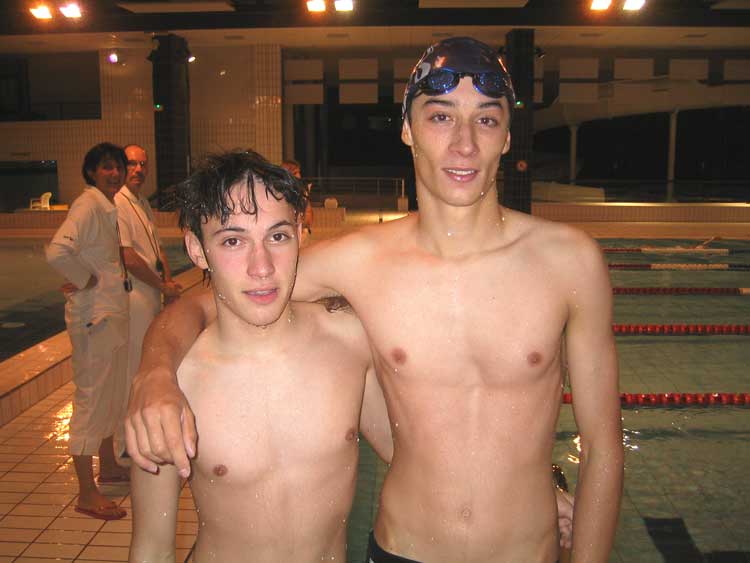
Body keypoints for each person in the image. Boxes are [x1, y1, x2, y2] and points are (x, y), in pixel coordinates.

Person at [127, 36, 621, 562]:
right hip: (402, 548)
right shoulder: (358, 262)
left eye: (486, 119)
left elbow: (604, 451)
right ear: (408, 128)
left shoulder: (570, 262)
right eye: (441, 117)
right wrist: (154, 375)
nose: (464, 144)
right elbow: (207, 301)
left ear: (507, 137)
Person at [128, 150, 392, 562]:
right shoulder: (176, 387)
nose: (262, 267)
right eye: (233, 241)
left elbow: (409, 458)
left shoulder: (349, 342)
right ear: (196, 249)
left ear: (301, 234)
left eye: (278, 236)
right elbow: (151, 549)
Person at [46, 142, 131, 520]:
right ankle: (85, 492)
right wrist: (85, 279)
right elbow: (57, 251)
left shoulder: (106, 206)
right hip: (94, 319)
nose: (115, 174)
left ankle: (108, 465)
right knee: (91, 398)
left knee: (111, 394)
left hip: (109, 316)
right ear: (92, 172)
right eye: (107, 167)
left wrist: (91, 277)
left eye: (118, 167)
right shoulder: (88, 205)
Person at [113, 144, 181, 461]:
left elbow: (156, 249)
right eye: (132, 164)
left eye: (143, 164)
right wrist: (161, 284)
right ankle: (127, 441)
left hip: (151, 291)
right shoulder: (117, 203)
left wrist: (168, 282)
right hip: (135, 295)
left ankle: (141, 433)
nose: (138, 169)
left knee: (146, 363)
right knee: (134, 368)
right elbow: (128, 257)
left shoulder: (140, 202)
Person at [282, 159, 313, 242]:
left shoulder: (303, 189)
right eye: (295, 173)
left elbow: (308, 210)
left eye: (299, 172)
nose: (299, 176)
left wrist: (306, 227)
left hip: (299, 229)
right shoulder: (278, 190)